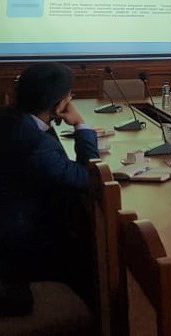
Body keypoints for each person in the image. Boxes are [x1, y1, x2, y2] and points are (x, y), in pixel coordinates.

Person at [0, 63, 99, 302]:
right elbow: (88, 179)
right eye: (69, 95)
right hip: (23, 245)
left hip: (12, 226)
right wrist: (81, 125)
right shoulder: (35, 144)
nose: (71, 98)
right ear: (58, 102)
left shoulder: (9, 118)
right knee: (96, 254)